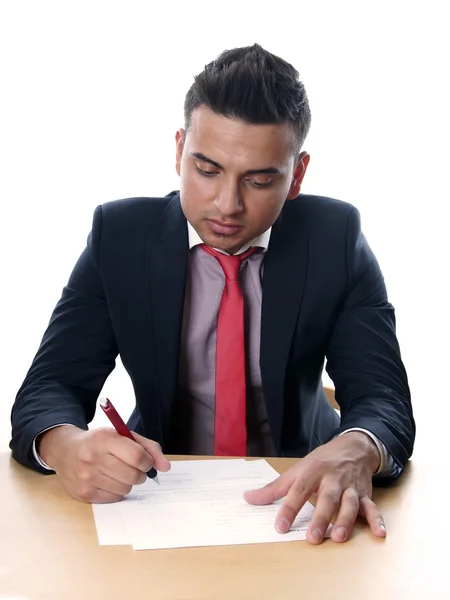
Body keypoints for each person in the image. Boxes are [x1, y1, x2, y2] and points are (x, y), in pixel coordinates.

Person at [10, 44, 415, 545]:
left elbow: (384, 398)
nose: (227, 204)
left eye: (261, 180)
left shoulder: (335, 240)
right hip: (156, 497)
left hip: (302, 498)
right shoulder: (119, 236)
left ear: (298, 175)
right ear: (179, 150)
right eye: (206, 170)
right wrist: (64, 445)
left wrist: (359, 445)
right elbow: (49, 386)